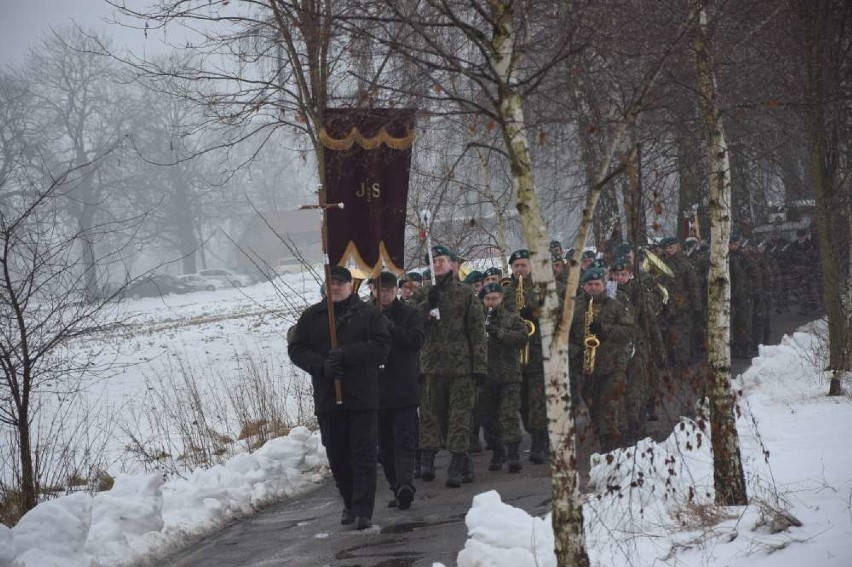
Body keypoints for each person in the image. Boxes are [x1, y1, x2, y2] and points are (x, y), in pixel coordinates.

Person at [288, 266, 391, 530]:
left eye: (340, 283)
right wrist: (322, 366)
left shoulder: (368, 314)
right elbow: (297, 349)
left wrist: (347, 354)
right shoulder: (312, 316)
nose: (335, 287)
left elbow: (381, 347)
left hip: (362, 397)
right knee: (337, 454)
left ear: (351, 286)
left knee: (364, 454)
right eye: (330, 282)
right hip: (328, 398)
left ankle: (363, 509)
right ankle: (348, 500)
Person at [411, 245, 487, 488]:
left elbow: (477, 331)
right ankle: (464, 460)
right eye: (433, 261)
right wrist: (427, 305)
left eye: (441, 260)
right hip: (432, 367)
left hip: (460, 366)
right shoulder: (422, 294)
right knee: (440, 417)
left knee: (460, 416)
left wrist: (480, 366)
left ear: (452, 264)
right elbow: (411, 324)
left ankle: (455, 463)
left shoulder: (464, 294)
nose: (438, 264)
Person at [373, 271, 424, 511]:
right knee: (385, 444)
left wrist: (390, 327)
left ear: (395, 291)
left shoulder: (410, 314)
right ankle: (395, 485)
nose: (383, 294)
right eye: (379, 290)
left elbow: (415, 340)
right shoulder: (366, 314)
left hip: (403, 386)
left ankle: (405, 484)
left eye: (388, 290)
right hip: (376, 390)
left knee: (404, 440)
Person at [569, 267, 634, 452]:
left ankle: (612, 442)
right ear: (583, 286)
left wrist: (605, 330)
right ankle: (604, 435)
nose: (593, 288)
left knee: (610, 403)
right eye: (589, 284)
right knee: (593, 405)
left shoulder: (615, 306)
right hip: (586, 366)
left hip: (612, 364)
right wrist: (576, 350)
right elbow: (565, 336)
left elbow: (629, 330)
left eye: (597, 284)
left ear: (604, 285)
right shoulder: (575, 307)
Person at [479, 282, 528, 473]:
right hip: (485, 376)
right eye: (488, 299)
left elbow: (522, 338)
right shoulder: (478, 319)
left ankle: (514, 454)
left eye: (495, 298)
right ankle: (498, 452)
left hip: (509, 375)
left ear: (501, 298)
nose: (491, 303)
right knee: (488, 418)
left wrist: (499, 333)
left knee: (509, 414)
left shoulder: (512, 318)